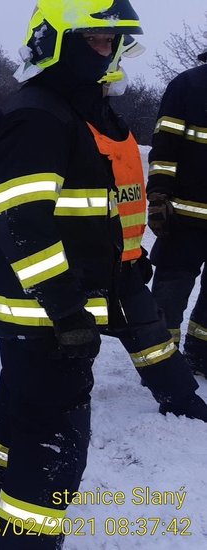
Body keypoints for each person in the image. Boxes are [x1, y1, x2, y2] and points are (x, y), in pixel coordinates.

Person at [0, 2, 203, 548]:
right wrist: (67, 310)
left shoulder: (70, 115)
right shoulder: (35, 117)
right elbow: (22, 225)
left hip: (56, 313)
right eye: (97, 41)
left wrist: (123, 266)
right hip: (47, 317)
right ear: (56, 40)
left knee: (19, 405)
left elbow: (89, 217)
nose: (110, 54)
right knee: (52, 454)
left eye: (115, 43)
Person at [145, 48, 207, 377]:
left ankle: (200, 354)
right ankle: (160, 360)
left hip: (186, 214)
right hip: (185, 215)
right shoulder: (189, 85)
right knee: (171, 288)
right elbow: (165, 146)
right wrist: (158, 195)